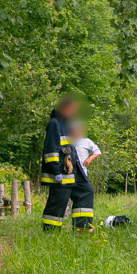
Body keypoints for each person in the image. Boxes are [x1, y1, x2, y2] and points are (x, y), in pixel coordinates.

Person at [40, 96, 94, 231]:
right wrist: (56, 172)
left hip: (74, 172)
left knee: (86, 192)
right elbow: (51, 150)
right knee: (58, 202)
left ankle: (82, 228)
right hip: (60, 173)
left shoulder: (66, 125)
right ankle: (50, 232)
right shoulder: (54, 124)